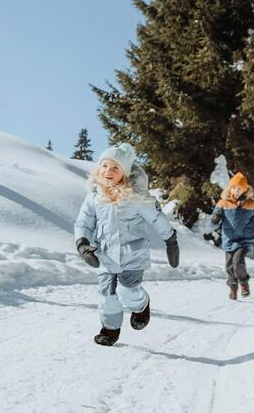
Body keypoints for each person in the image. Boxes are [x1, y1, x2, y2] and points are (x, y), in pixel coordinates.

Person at [74, 143, 179, 346]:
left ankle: (141, 305)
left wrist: (171, 240)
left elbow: (156, 218)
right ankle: (110, 330)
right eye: (104, 166)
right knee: (107, 295)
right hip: (104, 254)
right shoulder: (94, 197)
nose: (108, 171)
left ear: (125, 174)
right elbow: (84, 222)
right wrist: (82, 243)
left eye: (115, 168)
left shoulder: (135, 197)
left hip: (133, 254)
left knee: (127, 291)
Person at [212, 172, 254, 300]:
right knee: (229, 266)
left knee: (237, 262)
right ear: (230, 188)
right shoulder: (223, 203)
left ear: (245, 189)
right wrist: (215, 218)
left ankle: (244, 284)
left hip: (245, 240)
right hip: (228, 240)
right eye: (234, 188)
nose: (236, 191)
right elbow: (213, 220)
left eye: (239, 188)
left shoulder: (251, 204)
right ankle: (233, 288)